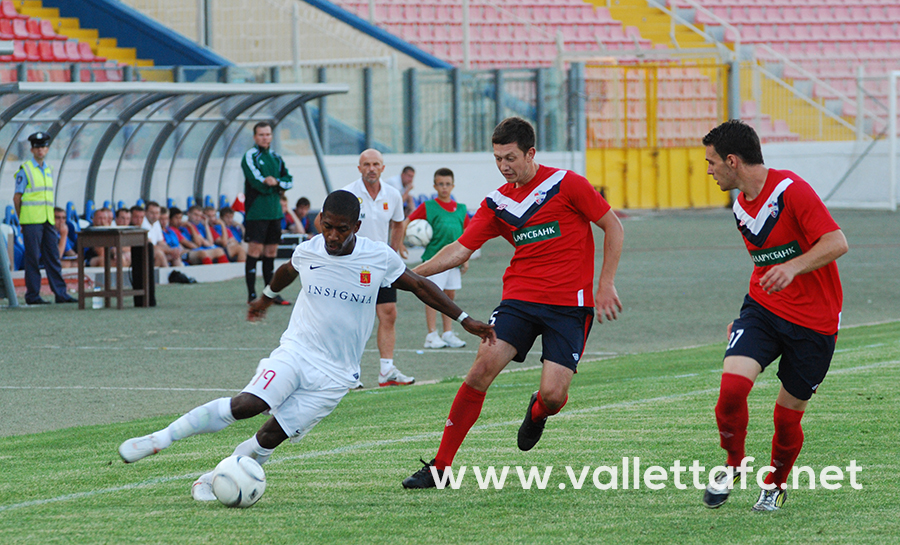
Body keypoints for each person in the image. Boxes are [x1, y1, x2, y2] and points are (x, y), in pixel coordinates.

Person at [116, 190, 496, 503]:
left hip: (336, 376)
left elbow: (420, 286)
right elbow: (286, 271)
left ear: (357, 227)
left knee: (269, 437)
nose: (333, 236)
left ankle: (222, 474)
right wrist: (265, 297)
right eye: (328, 227)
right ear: (320, 222)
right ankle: (160, 439)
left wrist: (465, 320)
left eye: (342, 230)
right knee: (249, 404)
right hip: (296, 351)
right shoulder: (309, 249)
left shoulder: (377, 257)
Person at [401, 117, 624, 488]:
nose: (504, 166)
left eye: (510, 158)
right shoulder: (497, 203)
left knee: (554, 396)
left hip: (571, 305)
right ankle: (440, 467)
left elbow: (613, 226)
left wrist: (606, 283)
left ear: (531, 153)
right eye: (497, 159)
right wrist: (408, 274)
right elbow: (459, 249)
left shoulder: (567, 184)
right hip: (519, 299)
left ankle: (538, 411)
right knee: (480, 368)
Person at [700, 120, 848, 512]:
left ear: (732, 161)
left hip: (815, 323)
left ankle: (775, 484)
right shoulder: (739, 205)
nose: (709, 170)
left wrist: (796, 266)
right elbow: (764, 263)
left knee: (786, 419)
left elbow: (837, 242)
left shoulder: (790, 190)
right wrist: (745, 321)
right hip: (764, 311)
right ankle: (733, 464)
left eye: (712, 162)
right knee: (731, 389)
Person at [341, 149, 413, 388]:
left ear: (383, 168)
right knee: (354, 320)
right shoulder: (348, 194)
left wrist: (394, 250)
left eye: (376, 164)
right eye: (366, 164)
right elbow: (324, 221)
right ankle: (349, 372)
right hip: (354, 266)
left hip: (380, 266)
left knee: (389, 312)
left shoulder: (392, 194)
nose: (371, 168)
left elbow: (398, 223)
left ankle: (386, 370)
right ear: (359, 168)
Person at [404, 168, 470, 349]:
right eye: (440, 184)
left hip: (454, 261)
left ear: (453, 186)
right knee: (432, 295)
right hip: (434, 261)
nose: (444, 188)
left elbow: (466, 235)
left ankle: (447, 333)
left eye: (448, 184)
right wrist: (401, 243)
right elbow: (406, 222)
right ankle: (431, 334)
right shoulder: (428, 206)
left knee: (449, 296)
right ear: (435, 186)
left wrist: (466, 258)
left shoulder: (461, 209)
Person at [12, 132, 77, 304]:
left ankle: (61, 294)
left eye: (43, 147)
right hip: (32, 220)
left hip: (47, 220)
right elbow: (17, 197)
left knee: (53, 256)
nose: (40, 150)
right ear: (32, 149)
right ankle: (33, 296)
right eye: (37, 147)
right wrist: (22, 219)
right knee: (32, 258)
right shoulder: (25, 169)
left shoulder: (48, 169)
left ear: (47, 149)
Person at [242, 121, 292, 305]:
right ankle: (252, 295)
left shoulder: (276, 158)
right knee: (255, 251)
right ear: (255, 137)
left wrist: (275, 182)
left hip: (275, 211)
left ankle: (270, 294)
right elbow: (256, 180)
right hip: (257, 212)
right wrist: (268, 183)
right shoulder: (250, 156)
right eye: (261, 134)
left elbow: (289, 180)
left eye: (268, 134)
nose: (265, 138)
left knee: (271, 252)